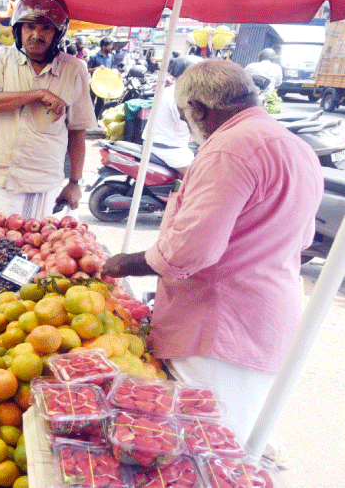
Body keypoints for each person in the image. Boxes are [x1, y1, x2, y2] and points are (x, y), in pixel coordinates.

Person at [101, 59, 323, 442]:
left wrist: (123, 263)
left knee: (201, 444)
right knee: (232, 442)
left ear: (199, 110)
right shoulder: (294, 146)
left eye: (185, 116)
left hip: (219, 331)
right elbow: (301, 243)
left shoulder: (228, 150)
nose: (187, 126)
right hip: (267, 321)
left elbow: (188, 251)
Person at [0, 0, 97, 217]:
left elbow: (77, 131)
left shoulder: (74, 69)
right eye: (29, 26)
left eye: (46, 28)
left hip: (42, 185)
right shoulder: (2, 58)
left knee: (36, 240)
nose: (36, 35)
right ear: (18, 30)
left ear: (58, 33)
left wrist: (75, 182)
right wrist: (36, 94)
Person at [141, 55, 203, 176]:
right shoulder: (179, 97)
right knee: (199, 177)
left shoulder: (172, 90)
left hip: (160, 143)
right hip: (169, 149)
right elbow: (187, 125)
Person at [88, 37, 115, 119]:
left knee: (101, 102)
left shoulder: (111, 57)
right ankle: (88, 118)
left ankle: (96, 118)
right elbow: (88, 70)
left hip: (105, 84)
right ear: (103, 46)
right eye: (109, 46)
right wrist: (97, 68)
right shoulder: (94, 56)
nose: (111, 47)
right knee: (90, 101)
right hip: (95, 83)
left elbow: (111, 69)